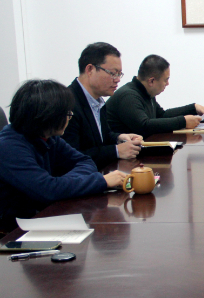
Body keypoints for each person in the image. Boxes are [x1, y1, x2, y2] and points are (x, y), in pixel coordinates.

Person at [0, 80, 126, 233]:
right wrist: (101, 181)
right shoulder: (9, 147)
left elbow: (85, 161)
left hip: (42, 216)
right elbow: (47, 191)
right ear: (47, 116)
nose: (70, 117)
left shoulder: (47, 136)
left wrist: (62, 184)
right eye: (67, 113)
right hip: (13, 231)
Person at [63, 42, 143, 169]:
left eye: (119, 74)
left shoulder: (98, 101)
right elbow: (71, 157)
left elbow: (102, 137)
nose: (117, 79)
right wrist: (116, 151)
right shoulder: (68, 104)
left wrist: (120, 138)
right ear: (90, 70)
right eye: (113, 73)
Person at [106, 54, 204, 138]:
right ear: (151, 81)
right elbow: (144, 126)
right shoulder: (128, 96)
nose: (167, 84)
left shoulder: (145, 91)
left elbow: (161, 115)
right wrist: (183, 122)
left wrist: (193, 108)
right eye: (165, 80)